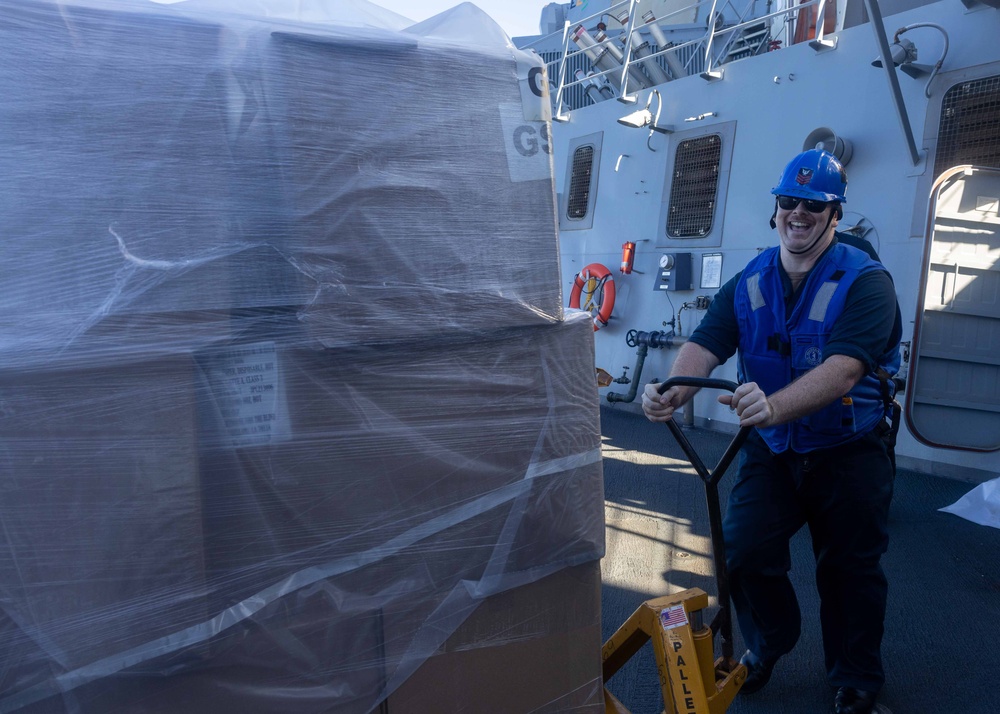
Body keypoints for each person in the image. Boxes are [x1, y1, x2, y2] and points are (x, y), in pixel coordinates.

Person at [642, 149, 901, 714]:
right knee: (743, 548)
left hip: (848, 449)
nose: (798, 213)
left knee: (850, 569)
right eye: (789, 202)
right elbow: (708, 342)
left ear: (835, 215)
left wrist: (774, 406)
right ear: (775, 211)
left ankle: (856, 679)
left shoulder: (868, 283)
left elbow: (846, 369)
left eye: (814, 204)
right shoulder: (751, 279)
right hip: (775, 448)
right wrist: (674, 388)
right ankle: (771, 641)